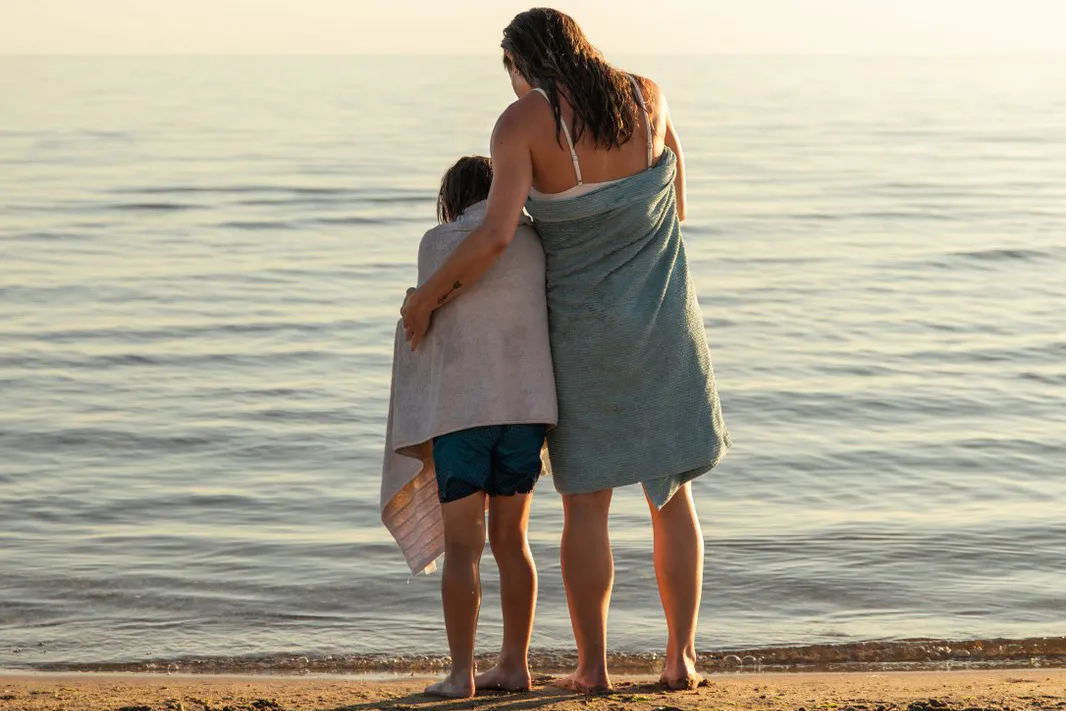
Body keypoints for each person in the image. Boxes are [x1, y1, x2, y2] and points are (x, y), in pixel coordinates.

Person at [401, 9, 731, 693]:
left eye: (512, 71)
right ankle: (680, 659)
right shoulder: (647, 94)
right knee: (672, 500)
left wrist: (427, 296)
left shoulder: (522, 122)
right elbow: (678, 202)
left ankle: (594, 667)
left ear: (524, 62)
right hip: (666, 324)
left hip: (584, 333)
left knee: (587, 505)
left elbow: (494, 237)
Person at [381, 156, 558, 698]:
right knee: (513, 541)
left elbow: (422, 330)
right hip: (526, 412)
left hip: (462, 416)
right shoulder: (533, 243)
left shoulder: (438, 244)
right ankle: (515, 666)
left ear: (452, 198)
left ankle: (461, 675)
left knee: (464, 549)